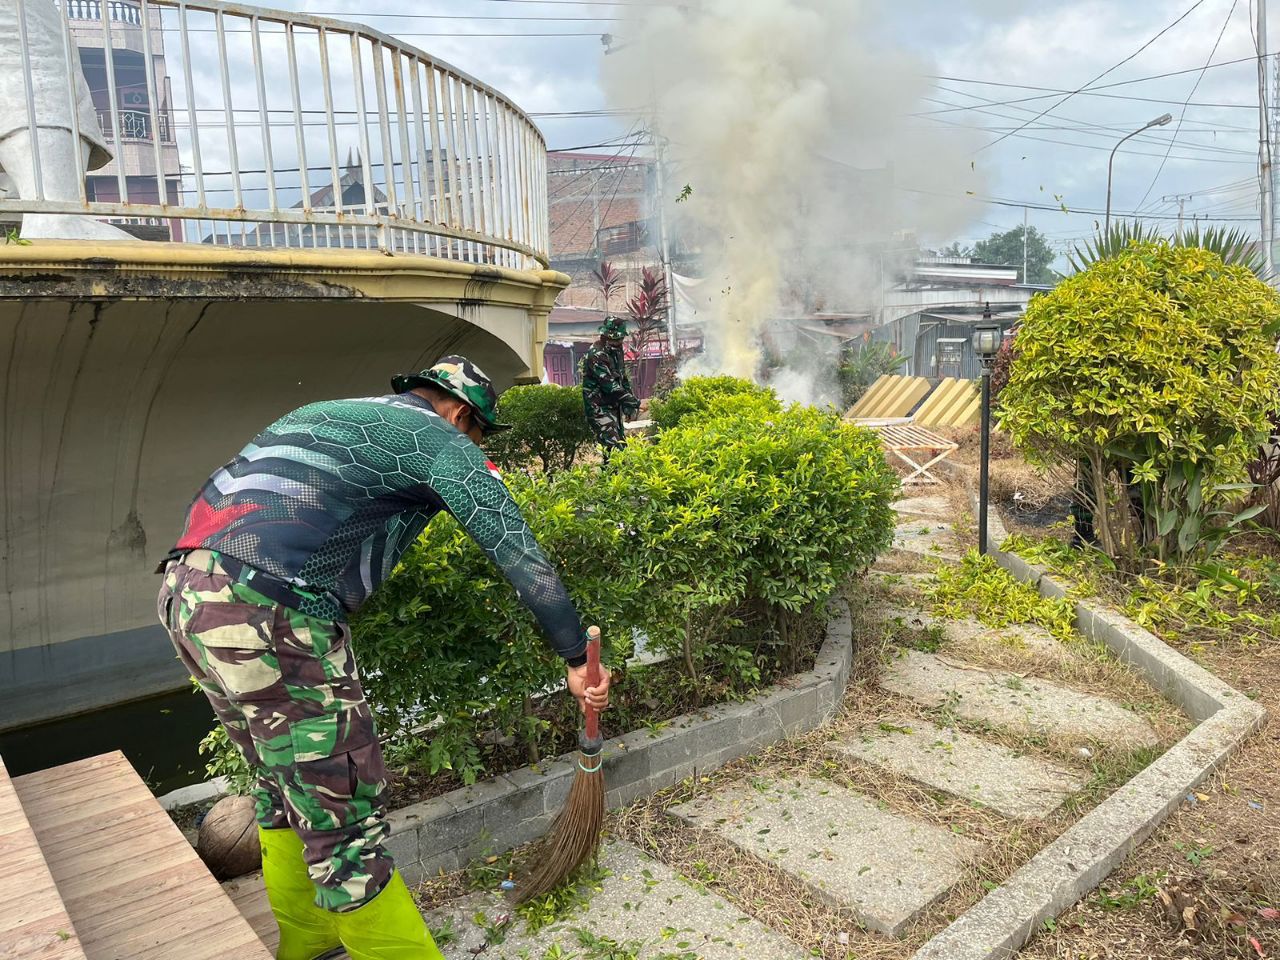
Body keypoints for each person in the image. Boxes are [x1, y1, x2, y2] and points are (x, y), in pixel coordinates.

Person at [156, 356, 611, 960]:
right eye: (479, 434)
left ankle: (311, 943)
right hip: (269, 610)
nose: (476, 447)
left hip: (187, 591)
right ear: (460, 414)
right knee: (345, 821)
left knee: (281, 783)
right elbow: (517, 552)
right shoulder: (438, 439)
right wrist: (577, 656)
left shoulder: (330, 412)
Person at [580, 316, 641, 457]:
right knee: (616, 451)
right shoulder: (596, 354)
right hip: (599, 409)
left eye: (620, 339)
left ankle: (611, 471)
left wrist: (628, 408)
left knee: (619, 450)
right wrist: (636, 403)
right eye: (616, 339)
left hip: (614, 407)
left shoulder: (616, 351)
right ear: (605, 336)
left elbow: (622, 378)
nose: (619, 342)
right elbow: (610, 387)